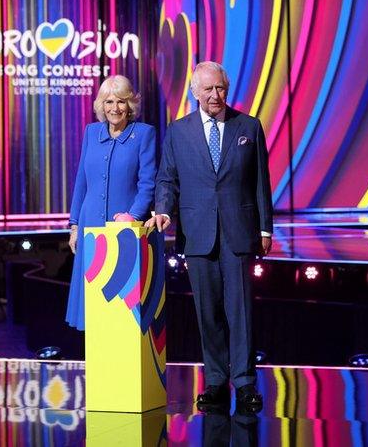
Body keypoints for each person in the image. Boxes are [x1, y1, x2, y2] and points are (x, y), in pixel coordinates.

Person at [145, 61, 273, 411]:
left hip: (239, 234)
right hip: (197, 234)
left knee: (240, 312)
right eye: (208, 90)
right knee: (208, 313)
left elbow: (260, 181)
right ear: (195, 92)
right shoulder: (178, 131)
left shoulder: (248, 126)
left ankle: (245, 383)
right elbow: (167, 179)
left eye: (220, 88)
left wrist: (265, 228)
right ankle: (216, 382)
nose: (215, 95)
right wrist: (164, 208)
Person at [66, 75, 156, 331]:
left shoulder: (144, 134)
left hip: (123, 229)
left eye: (120, 102)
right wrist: (74, 226)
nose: (114, 108)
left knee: (120, 305)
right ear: (101, 106)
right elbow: (81, 181)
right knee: (94, 303)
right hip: (90, 225)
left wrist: (133, 216)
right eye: (108, 102)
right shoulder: (91, 132)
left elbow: (147, 183)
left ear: (130, 105)